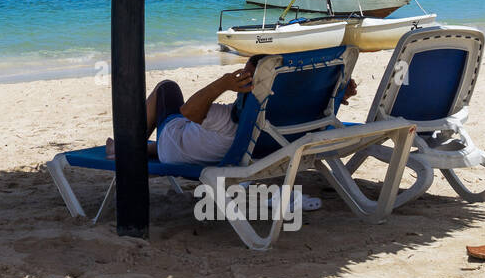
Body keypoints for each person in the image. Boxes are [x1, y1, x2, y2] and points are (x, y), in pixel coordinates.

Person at [105, 57, 360, 209]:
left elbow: (188, 111)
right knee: (199, 134)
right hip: (216, 150)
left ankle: (128, 147)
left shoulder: (228, 119)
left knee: (167, 88)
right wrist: (337, 94)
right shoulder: (291, 117)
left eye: (246, 72)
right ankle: (144, 147)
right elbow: (315, 105)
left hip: (176, 145)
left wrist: (224, 83)